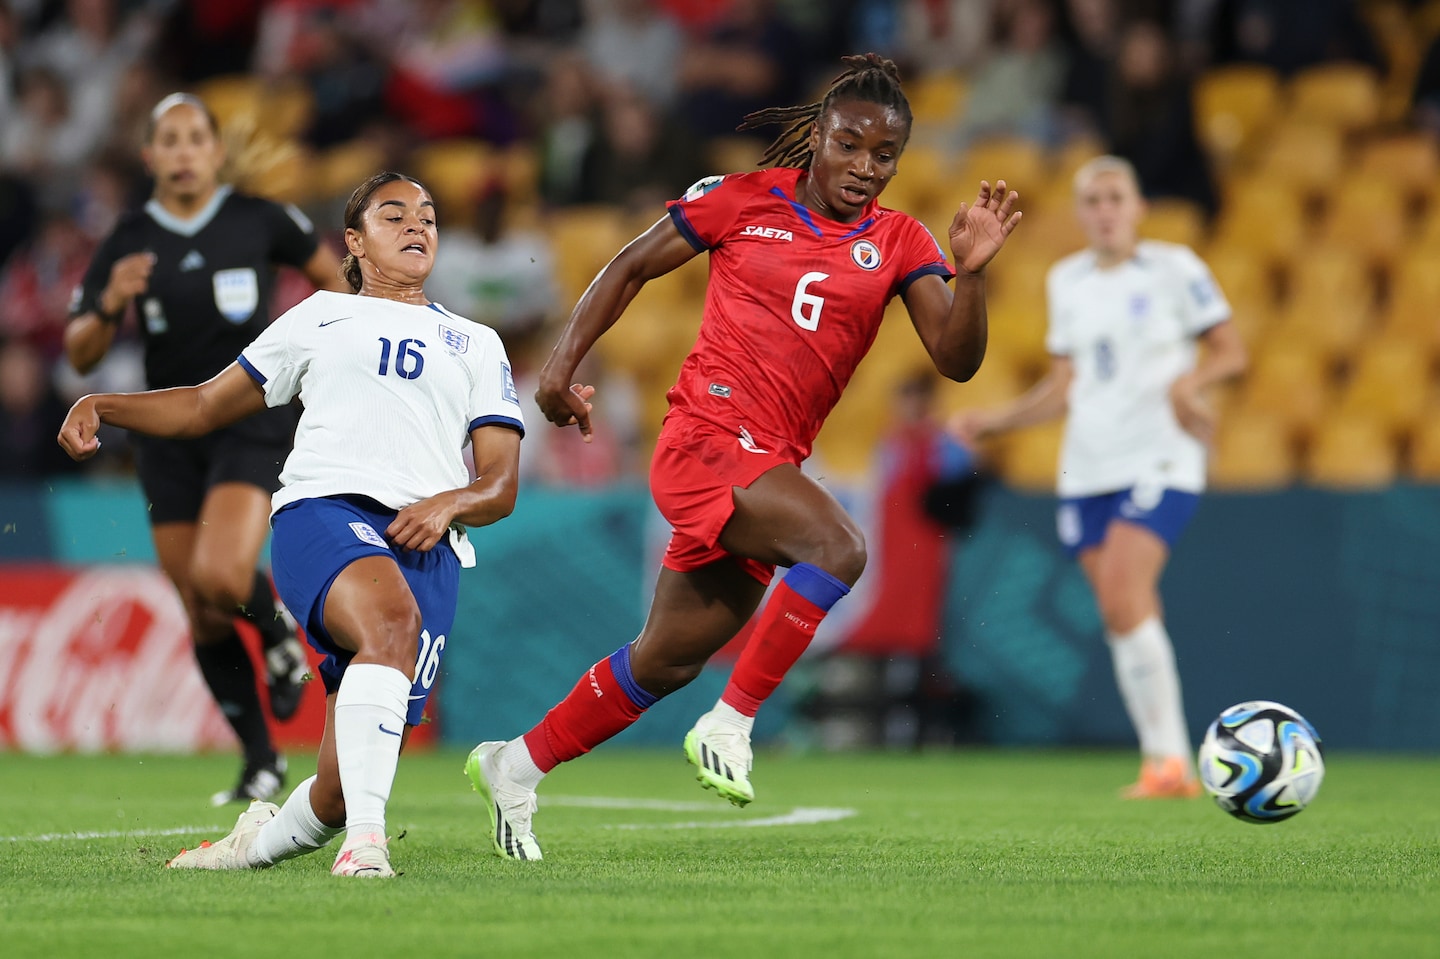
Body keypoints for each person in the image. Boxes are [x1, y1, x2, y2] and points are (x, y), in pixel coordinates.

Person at [465, 53, 1021, 861]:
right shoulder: (742, 200)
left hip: (768, 462)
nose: (865, 169)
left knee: (664, 660)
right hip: (705, 440)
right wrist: (557, 368)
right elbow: (630, 265)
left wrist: (970, 278)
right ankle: (734, 721)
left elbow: (957, 360)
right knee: (839, 546)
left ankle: (514, 765)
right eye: (850, 145)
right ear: (818, 138)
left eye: (884, 155)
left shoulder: (901, 240)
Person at [57, 171, 527, 878]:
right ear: (355, 242)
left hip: (427, 543)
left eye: (427, 216)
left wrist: (451, 503)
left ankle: (246, 850)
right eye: (393, 214)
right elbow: (204, 406)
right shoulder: (320, 316)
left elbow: (499, 482)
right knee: (389, 622)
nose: (415, 226)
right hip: (324, 514)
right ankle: (367, 849)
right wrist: (104, 403)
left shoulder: (478, 342)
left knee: (339, 786)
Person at [62, 92, 348, 806]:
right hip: (166, 429)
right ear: (151, 155)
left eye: (197, 137)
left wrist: (327, 353)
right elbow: (79, 352)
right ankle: (260, 762)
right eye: (171, 139)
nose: (185, 150)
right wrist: (107, 303)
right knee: (199, 602)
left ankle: (280, 636)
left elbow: (338, 281)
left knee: (223, 573)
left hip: (249, 413)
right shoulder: (128, 237)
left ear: (216, 152)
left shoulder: (260, 218)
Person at [950, 155, 1247, 799]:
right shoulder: (1068, 280)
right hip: (1086, 467)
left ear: (1138, 206)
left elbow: (1231, 350)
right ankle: (1163, 763)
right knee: (1121, 612)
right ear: (1081, 214)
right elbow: (1065, 386)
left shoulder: (1177, 268)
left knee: (1121, 591)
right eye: (1094, 200)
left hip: (1161, 456)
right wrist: (998, 422)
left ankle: (1169, 762)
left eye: (1117, 197)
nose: (1106, 210)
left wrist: (1192, 383)